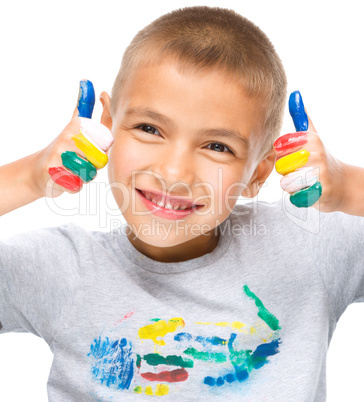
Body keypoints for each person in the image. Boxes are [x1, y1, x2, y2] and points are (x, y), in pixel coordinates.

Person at [1, 5, 363, 401]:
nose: (174, 173)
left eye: (217, 146)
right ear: (105, 126)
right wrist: (27, 177)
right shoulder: (61, 270)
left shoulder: (307, 248)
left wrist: (347, 187)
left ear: (259, 173)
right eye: (149, 128)